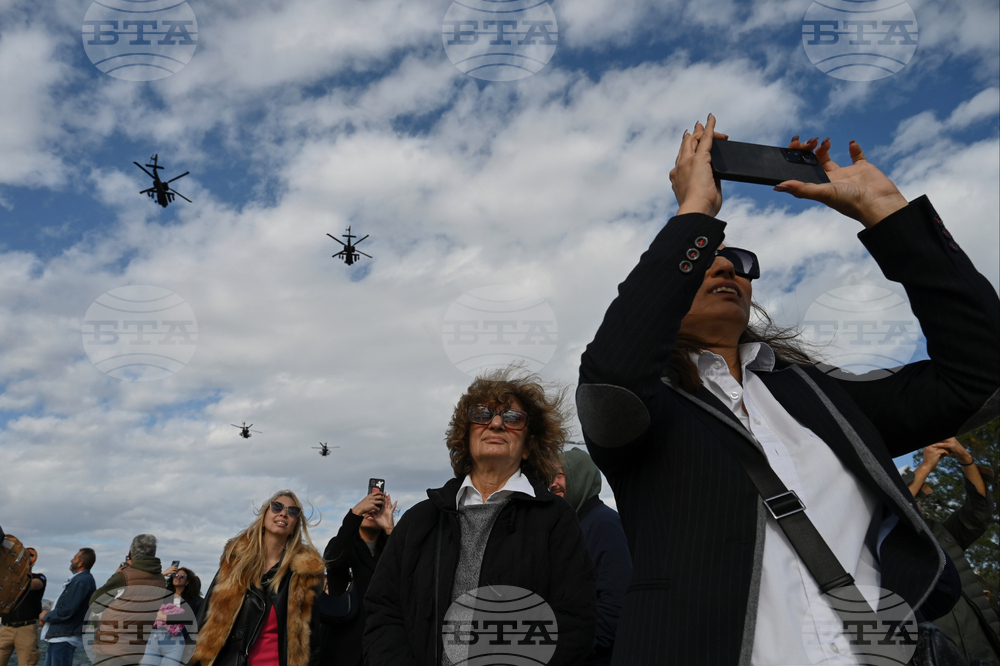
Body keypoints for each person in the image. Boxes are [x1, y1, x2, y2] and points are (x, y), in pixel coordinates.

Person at [576, 114, 1000, 664]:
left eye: (739, 263)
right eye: (705, 258)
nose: (726, 268)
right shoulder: (647, 409)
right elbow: (612, 374)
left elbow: (980, 375)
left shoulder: (823, 397)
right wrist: (696, 212)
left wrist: (889, 214)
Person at [364, 366, 597, 666]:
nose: (496, 423)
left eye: (513, 418)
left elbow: (574, 622)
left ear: (528, 446)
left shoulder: (555, 519)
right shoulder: (419, 520)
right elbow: (383, 612)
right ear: (466, 436)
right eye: (482, 414)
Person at [191, 490, 325, 666]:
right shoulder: (235, 562)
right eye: (276, 507)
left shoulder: (304, 575)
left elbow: (312, 637)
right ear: (263, 517)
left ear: (295, 526)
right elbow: (206, 616)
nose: (283, 513)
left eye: (292, 511)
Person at [905, 438, 1000, 663]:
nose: (915, 501)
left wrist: (965, 458)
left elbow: (978, 512)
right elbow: (893, 509)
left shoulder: (942, 533)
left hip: (985, 650)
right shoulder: (884, 547)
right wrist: (926, 466)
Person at [549, 448, 631, 665]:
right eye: (549, 477)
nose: (552, 484)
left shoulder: (604, 524)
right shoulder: (570, 527)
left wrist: (572, 649)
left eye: (560, 475)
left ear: (580, 476)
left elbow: (616, 603)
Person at [322, 486, 396, 666]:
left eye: (378, 507)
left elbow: (407, 573)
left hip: (385, 645)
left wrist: (390, 529)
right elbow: (334, 561)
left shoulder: (391, 546)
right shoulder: (342, 544)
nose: (371, 510)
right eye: (367, 505)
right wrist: (355, 513)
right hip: (345, 646)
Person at [38, 549, 97, 666]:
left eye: (75, 558)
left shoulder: (82, 580)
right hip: (60, 636)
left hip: (64, 637)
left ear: (81, 563)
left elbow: (67, 610)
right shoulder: (81, 580)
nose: (71, 560)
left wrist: (46, 616)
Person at [140, 567, 204, 666]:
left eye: (182, 576)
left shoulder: (194, 600)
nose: (178, 577)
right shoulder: (163, 594)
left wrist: (163, 617)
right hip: (155, 636)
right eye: (175, 575)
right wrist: (164, 574)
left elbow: (187, 617)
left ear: (187, 581)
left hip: (177, 639)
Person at [0, 548, 46, 666]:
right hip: (6, 628)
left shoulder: (39, 577)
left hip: (26, 629)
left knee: (27, 662)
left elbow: (35, 585)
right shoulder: (8, 579)